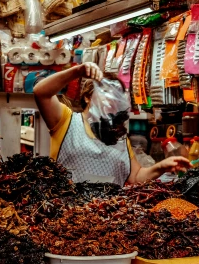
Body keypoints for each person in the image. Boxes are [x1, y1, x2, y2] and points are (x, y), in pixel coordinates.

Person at [34, 62, 190, 186]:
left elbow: (135, 177)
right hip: (66, 218)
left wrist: (161, 167)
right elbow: (41, 92)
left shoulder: (120, 137)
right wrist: (77, 72)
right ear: (87, 97)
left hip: (107, 218)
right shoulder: (66, 121)